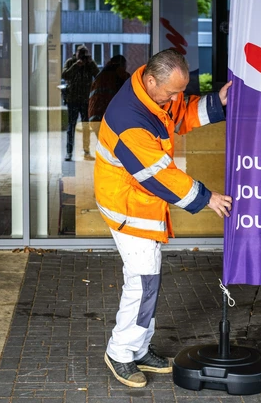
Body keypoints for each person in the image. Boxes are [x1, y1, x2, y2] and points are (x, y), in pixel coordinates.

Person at [93, 49, 233, 388]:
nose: (176, 98)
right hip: (129, 206)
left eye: (180, 90)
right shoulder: (131, 120)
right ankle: (121, 352)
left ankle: (138, 348)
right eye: (171, 92)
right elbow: (158, 175)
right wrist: (206, 197)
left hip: (139, 202)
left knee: (147, 281)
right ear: (153, 80)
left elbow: (180, 113)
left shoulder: (152, 92)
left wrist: (218, 102)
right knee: (142, 283)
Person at [61, 45, 98, 161]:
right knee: (71, 126)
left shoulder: (89, 63)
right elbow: (64, 75)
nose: (82, 57)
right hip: (72, 99)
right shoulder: (71, 62)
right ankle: (69, 152)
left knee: (86, 127)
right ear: (76, 53)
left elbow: (98, 76)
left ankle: (86, 151)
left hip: (85, 100)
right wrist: (76, 66)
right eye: (80, 54)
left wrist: (91, 63)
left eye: (84, 54)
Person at [87, 55, 129, 122]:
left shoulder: (99, 76)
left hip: (94, 118)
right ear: (122, 65)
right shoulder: (121, 75)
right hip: (109, 119)